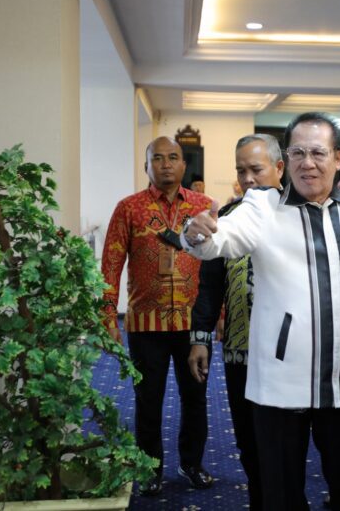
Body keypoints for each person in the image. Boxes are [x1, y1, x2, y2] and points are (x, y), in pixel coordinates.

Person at [183, 112, 340, 511]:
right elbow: (220, 241)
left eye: (318, 153)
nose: (307, 163)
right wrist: (196, 234)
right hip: (279, 382)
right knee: (281, 491)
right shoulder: (262, 206)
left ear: (339, 157)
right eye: (298, 152)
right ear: (286, 160)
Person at [100, 137, 214, 496]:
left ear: (184, 165)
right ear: (146, 165)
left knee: (195, 398)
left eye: (173, 157)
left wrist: (220, 314)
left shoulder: (203, 206)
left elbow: (217, 265)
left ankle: (191, 463)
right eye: (158, 158)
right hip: (145, 324)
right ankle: (149, 468)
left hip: (193, 325)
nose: (166, 164)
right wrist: (108, 316)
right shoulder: (128, 208)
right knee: (148, 399)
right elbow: (111, 264)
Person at [188, 134, 284, 511]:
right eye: (241, 171)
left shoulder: (297, 217)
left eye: (255, 169)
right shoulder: (226, 219)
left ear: (279, 168)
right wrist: (200, 338)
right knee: (247, 440)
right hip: (240, 352)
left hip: (287, 355)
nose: (248, 179)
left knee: (286, 444)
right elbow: (210, 287)